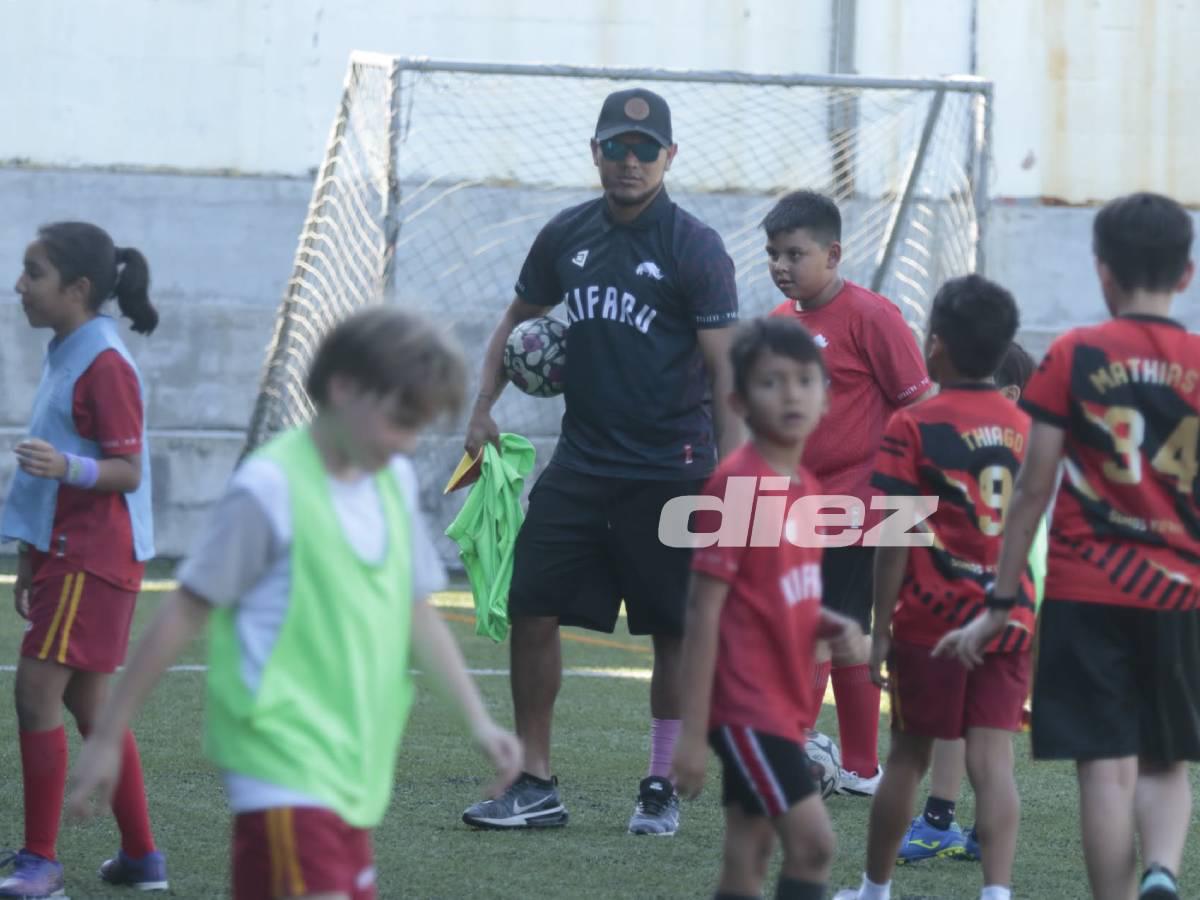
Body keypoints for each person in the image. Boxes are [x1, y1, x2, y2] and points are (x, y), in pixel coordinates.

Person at [66, 308, 523, 900]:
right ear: (343, 390)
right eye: (400, 421)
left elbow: (415, 610)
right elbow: (184, 611)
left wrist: (479, 722)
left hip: (352, 761)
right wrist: (107, 736)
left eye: (420, 426)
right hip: (280, 759)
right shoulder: (270, 487)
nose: (409, 441)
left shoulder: (391, 480)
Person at [460, 86, 742, 836]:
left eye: (644, 150)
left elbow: (727, 377)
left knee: (673, 630)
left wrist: (736, 484)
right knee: (531, 606)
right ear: (594, 152)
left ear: (669, 158)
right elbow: (518, 319)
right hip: (582, 464)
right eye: (615, 147)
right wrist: (482, 406)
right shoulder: (566, 235)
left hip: (673, 468)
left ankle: (658, 783)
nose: (628, 161)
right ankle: (534, 780)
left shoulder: (695, 247)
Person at [935, 193, 1200, 900]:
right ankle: (1163, 870)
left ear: (1102, 272)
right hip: (1178, 590)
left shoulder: (1074, 355)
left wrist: (1000, 600)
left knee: (1104, 768)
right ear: (1187, 274)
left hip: (1087, 592)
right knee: (1166, 758)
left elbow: (1031, 490)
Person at [835, 274, 1034, 900]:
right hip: (1009, 616)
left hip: (933, 618)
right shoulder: (1027, 427)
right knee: (993, 761)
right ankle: (996, 893)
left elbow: (897, 534)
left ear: (937, 344)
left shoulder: (913, 424)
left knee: (909, 758)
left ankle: (874, 889)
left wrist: (882, 627)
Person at [671, 317, 862, 900]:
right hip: (746, 707)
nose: (791, 394)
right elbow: (705, 613)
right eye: (771, 382)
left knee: (747, 859)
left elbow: (778, 593)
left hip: (782, 702)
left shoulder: (804, 482)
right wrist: (691, 733)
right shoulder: (737, 484)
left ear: (827, 396)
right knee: (814, 845)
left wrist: (829, 624)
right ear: (737, 400)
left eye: (805, 380)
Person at [0, 222, 164, 897]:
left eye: (33, 272)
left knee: (35, 691)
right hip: (67, 556)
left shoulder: (104, 362)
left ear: (79, 288)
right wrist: (31, 558)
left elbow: (126, 470)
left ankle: (41, 863)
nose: (19, 285)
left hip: (93, 557)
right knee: (92, 705)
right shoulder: (70, 349)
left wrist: (65, 465)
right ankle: (141, 859)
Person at [767, 191, 933, 796]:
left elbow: (917, 403)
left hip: (858, 506)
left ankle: (842, 762)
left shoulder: (873, 316)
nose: (782, 266)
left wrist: (906, 493)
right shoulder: (780, 324)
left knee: (833, 627)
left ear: (833, 254)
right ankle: (843, 763)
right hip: (795, 510)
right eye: (773, 254)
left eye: (795, 253)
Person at [895, 341, 1045, 865]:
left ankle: (938, 820)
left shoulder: (959, 448)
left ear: (1007, 393)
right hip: (1013, 611)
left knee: (952, 728)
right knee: (985, 734)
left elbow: (908, 531)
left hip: (967, 610)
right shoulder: (1029, 449)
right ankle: (981, 840)